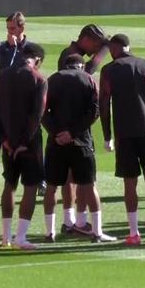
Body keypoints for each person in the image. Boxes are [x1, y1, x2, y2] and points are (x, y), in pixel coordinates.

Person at [99, 34, 145, 246]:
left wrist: (107, 136)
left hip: (124, 133)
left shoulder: (109, 70)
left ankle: (134, 232)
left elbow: (104, 104)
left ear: (114, 48)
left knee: (130, 183)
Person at [43, 54, 116, 243]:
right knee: (90, 186)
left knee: (51, 187)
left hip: (56, 142)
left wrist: (57, 133)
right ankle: (97, 232)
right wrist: (73, 133)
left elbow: (42, 111)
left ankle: (50, 233)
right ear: (81, 65)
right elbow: (95, 111)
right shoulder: (88, 80)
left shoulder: (52, 79)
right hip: (82, 141)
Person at [0, 43, 48, 250]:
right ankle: (20, 237)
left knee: (9, 184)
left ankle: (5, 237)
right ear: (37, 60)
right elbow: (37, 114)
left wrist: (4, 138)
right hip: (29, 143)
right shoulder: (39, 79)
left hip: (7, 141)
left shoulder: (2, 76)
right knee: (30, 186)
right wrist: (24, 142)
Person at [55, 24, 110, 230]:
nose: (96, 49)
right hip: (75, 124)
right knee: (80, 176)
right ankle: (75, 221)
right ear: (86, 39)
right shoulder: (70, 55)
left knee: (71, 175)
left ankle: (71, 221)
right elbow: (86, 72)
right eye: (96, 44)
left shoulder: (70, 52)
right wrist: (105, 50)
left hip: (67, 120)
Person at [0, 12, 30, 198]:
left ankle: (40, 181)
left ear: (21, 28)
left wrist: (17, 49)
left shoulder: (31, 49)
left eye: (13, 28)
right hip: (1, 102)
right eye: (8, 28)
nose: (9, 32)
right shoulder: (1, 47)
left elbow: (27, 72)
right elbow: (4, 70)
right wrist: (12, 49)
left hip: (22, 103)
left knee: (31, 142)